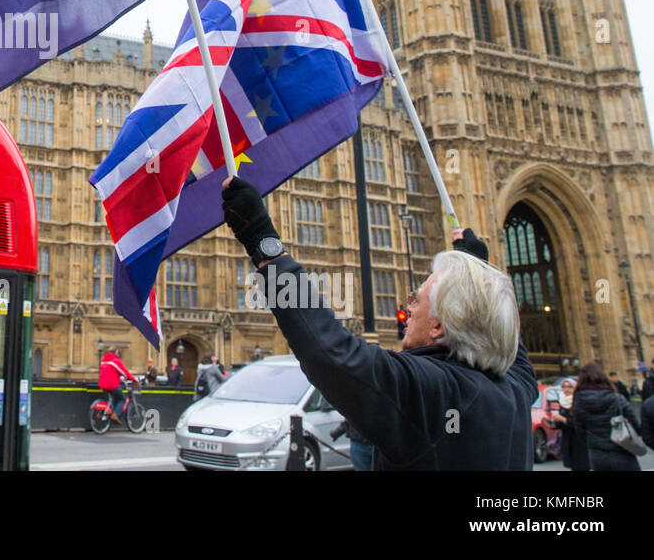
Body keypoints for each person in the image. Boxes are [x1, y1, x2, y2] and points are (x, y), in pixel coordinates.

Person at [221, 176, 538, 470]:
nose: (408, 305)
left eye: (417, 299)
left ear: (440, 326)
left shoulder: (432, 392)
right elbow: (502, 333)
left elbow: (331, 354)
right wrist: (476, 271)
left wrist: (263, 243)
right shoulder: (516, 391)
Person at [573, 363, 642, 471]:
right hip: (622, 449)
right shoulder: (617, 398)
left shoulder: (578, 402)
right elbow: (635, 424)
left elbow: (580, 431)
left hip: (597, 455)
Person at [550, 378, 589, 472]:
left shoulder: (579, 401)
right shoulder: (561, 401)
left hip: (580, 441)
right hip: (568, 440)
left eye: (569, 387)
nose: (566, 389)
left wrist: (563, 419)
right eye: (564, 386)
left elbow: (581, 422)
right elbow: (562, 424)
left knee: (581, 466)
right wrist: (554, 423)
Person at [98, 347, 136, 424]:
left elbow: (111, 372)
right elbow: (125, 373)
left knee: (116, 398)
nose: (118, 354)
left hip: (103, 384)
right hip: (112, 384)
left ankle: (112, 413)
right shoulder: (115, 361)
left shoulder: (104, 361)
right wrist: (134, 380)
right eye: (117, 353)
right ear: (115, 353)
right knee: (122, 399)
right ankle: (115, 415)